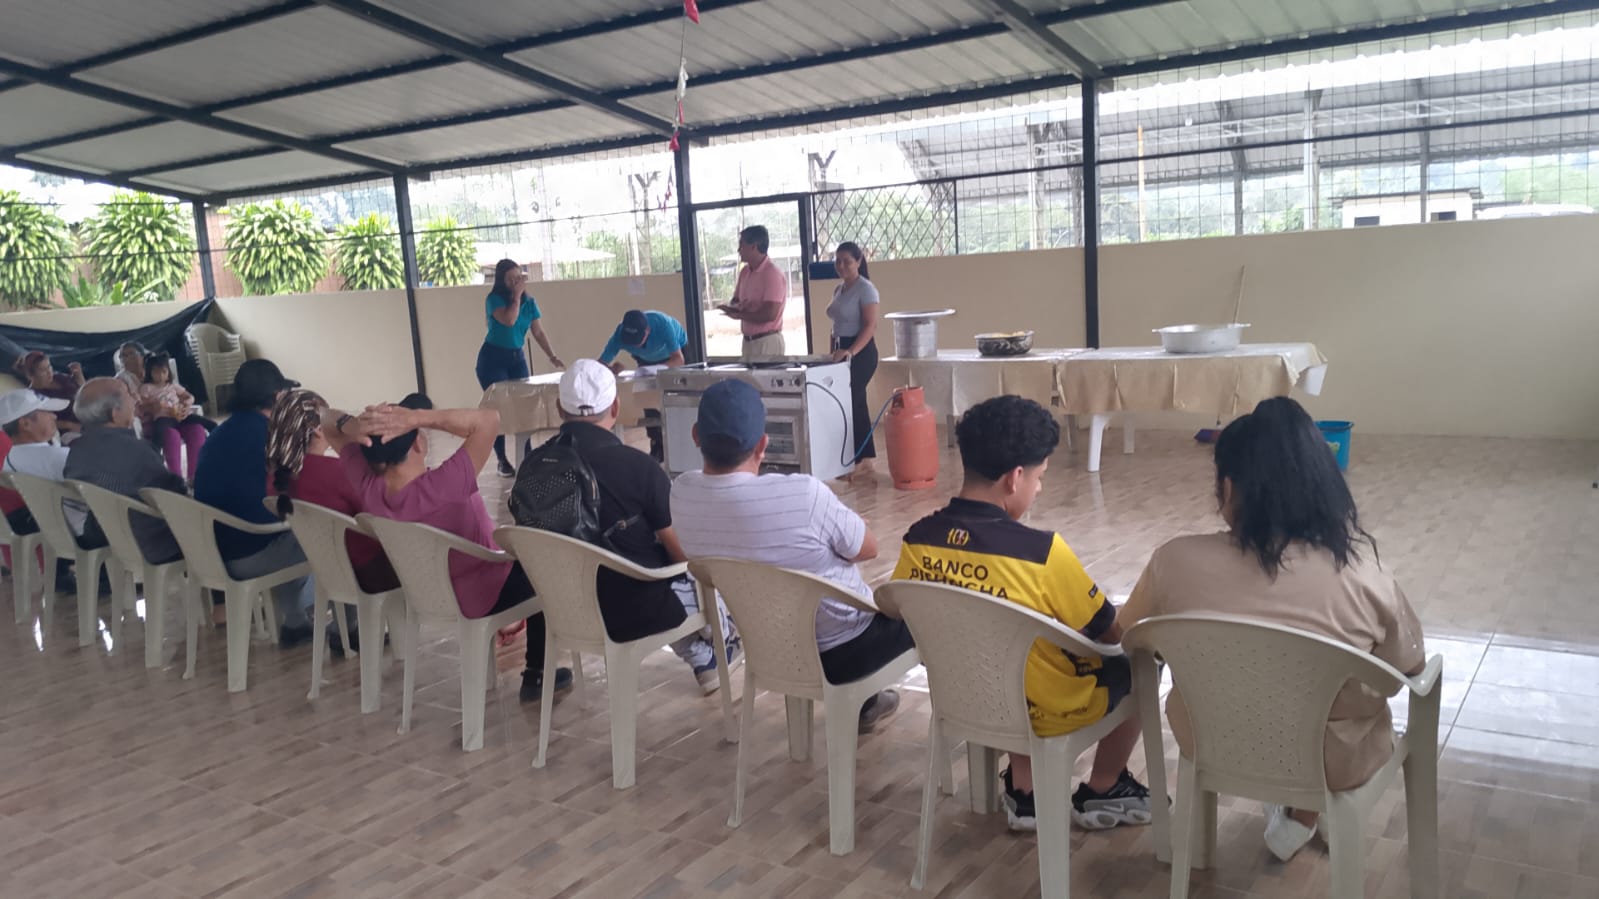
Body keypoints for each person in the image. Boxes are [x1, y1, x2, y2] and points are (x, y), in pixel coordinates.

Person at [1120, 396, 1426, 862]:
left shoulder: (1173, 562)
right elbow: (1408, 668)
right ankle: (1306, 811)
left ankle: (1295, 813)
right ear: (1324, 486)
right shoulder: (1363, 577)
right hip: (1328, 760)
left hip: (1213, 740)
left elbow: (1127, 634)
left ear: (1227, 487)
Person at [893, 395, 1153, 833]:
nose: (1039, 488)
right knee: (1140, 661)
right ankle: (1105, 786)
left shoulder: (917, 539)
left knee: (1004, 647)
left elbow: (900, 606)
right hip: (1045, 708)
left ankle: (1026, 790)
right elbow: (1110, 634)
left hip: (963, 694)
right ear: (1015, 478)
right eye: (1040, 477)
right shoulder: (1041, 553)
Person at [671, 379, 906, 731]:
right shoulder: (804, 495)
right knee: (927, 610)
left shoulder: (681, 493)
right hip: (847, 651)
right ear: (763, 444)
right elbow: (868, 549)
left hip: (769, 649)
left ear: (695, 436)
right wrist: (849, 524)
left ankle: (866, 703)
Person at [321, 395, 571, 702]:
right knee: (543, 568)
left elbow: (326, 421)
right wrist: (418, 417)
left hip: (425, 596)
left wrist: (356, 425)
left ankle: (529, 662)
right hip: (482, 595)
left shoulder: (369, 487)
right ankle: (538, 673)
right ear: (418, 444)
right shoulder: (445, 485)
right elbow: (489, 420)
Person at [530, 360, 738, 693]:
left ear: (559, 408)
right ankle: (722, 643)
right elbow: (681, 553)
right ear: (615, 407)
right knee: (697, 558)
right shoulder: (637, 467)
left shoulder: (533, 466)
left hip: (562, 610)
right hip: (631, 613)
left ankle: (704, 657)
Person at [192, 359, 315, 645]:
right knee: (330, 537)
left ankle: (296, 622)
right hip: (251, 553)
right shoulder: (271, 436)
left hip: (213, 552)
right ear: (277, 397)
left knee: (288, 528)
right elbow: (307, 491)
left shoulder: (220, 433)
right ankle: (344, 628)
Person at [267, 388, 398, 650]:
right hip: (369, 571)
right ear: (318, 430)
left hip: (327, 568)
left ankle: (346, 628)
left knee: (343, 541)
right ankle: (365, 631)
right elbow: (379, 511)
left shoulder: (277, 479)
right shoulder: (337, 472)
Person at [65, 377, 186, 568]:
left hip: (105, 539)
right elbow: (174, 495)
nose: (135, 399)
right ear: (115, 414)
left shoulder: (76, 450)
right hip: (149, 545)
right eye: (128, 394)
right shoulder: (136, 451)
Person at [479, 258, 564, 477]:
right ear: (502, 281)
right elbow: (509, 320)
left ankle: (527, 456)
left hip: (516, 358)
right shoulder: (494, 300)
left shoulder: (530, 302)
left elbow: (538, 332)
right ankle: (501, 460)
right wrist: (516, 297)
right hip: (492, 359)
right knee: (497, 409)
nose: (516, 282)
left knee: (525, 407)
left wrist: (552, 356)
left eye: (518, 277)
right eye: (511, 279)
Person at [0, 388, 85, 592]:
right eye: (46, 412)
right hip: (77, 532)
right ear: (25, 424)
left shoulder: (10, 459)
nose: (54, 416)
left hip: (43, 528)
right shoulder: (57, 458)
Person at [597, 309, 688, 461]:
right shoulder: (619, 335)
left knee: (678, 392)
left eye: (637, 339)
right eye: (630, 341)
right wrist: (612, 369)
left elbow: (679, 360)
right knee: (646, 396)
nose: (634, 344)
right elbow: (599, 366)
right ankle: (657, 444)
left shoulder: (663, 324)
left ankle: (683, 441)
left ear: (647, 331)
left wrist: (656, 369)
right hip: (646, 361)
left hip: (675, 354)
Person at [826, 242, 881, 479]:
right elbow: (836, 325)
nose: (841, 266)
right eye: (838, 261)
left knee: (852, 401)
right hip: (841, 351)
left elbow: (870, 326)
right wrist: (833, 351)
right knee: (853, 403)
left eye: (847, 261)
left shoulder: (866, 289)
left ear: (859, 261)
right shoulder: (839, 289)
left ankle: (861, 459)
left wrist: (851, 351)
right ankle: (863, 457)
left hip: (861, 352)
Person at [715, 226, 788, 360]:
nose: (738, 250)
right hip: (748, 341)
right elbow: (736, 300)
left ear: (754, 247)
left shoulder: (772, 274)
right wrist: (732, 307)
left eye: (741, 245)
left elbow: (770, 314)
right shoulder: (745, 272)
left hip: (767, 342)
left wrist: (740, 315)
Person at [139, 352, 209, 481]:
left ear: (168, 373)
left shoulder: (172, 386)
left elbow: (189, 396)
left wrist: (187, 403)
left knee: (198, 428)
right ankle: (175, 478)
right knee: (169, 434)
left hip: (180, 416)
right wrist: (153, 406)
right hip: (163, 419)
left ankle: (194, 477)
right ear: (149, 373)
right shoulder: (146, 388)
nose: (160, 376)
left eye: (164, 372)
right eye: (156, 372)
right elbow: (140, 407)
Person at [15, 351, 84, 437]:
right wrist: (70, 425)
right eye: (43, 370)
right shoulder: (33, 396)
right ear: (31, 376)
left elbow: (81, 389)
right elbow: (42, 422)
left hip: (85, 415)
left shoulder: (59, 377)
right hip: (69, 432)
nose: (49, 372)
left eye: (49, 366)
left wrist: (78, 374)